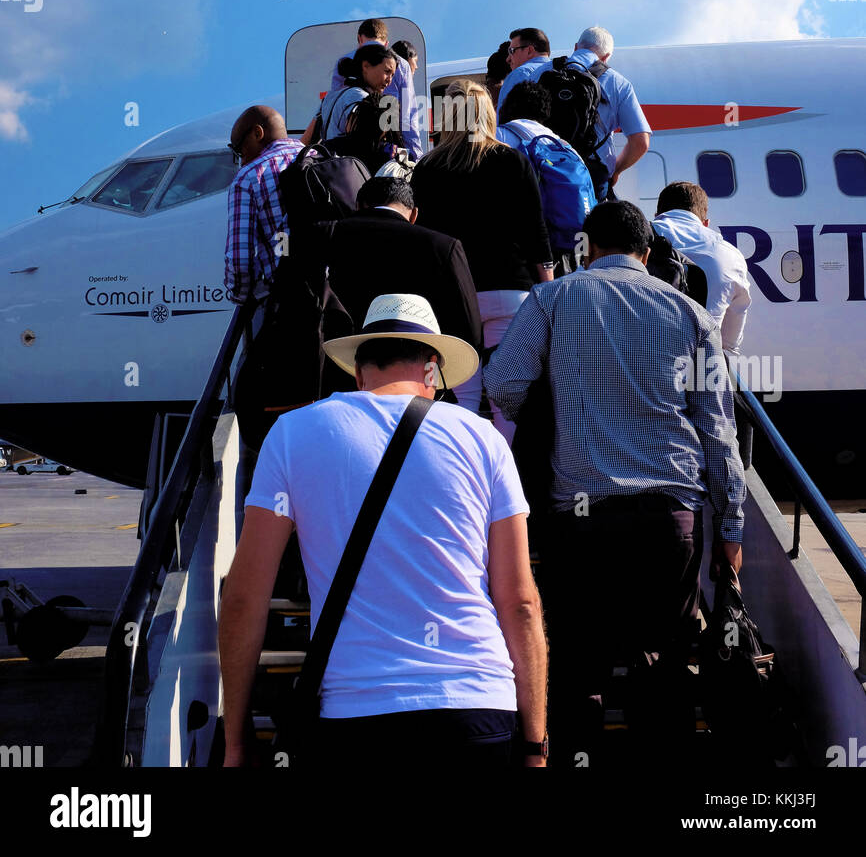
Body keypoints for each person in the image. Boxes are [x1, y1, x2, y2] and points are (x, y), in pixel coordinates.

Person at [219, 293, 548, 769]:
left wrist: (235, 744)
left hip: (357, 714)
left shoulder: (293, 433)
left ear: (358, 371)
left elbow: (245, 597)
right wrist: (536, 745)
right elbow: (520, 602)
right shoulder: (483, 440)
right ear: (432, 369)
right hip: (476, 706)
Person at [484, 200, 746, 768]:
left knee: (577, 668)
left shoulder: (552, 298)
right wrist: (731, 529)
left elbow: (503, 385)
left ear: (590, 247)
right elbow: (719, 434)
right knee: (665, 666)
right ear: (647, 254)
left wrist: (559, 401)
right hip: (669, 519)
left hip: (581, 521)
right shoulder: (691, 315)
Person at [410, 79, 554, 439]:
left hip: (454, 294)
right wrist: (550, 294)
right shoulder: (512, 161)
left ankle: (464, 473)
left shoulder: (427, 168)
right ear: (487, 115)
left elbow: (424, 239)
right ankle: (505, 475)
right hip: (510, 291)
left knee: (465, 395)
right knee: (507, 394)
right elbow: (536, 234)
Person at [291, 175, 483, 367]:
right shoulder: (443, 246)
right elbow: (468, 324)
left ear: (358, 205)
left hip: (338, 360)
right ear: (414, 214)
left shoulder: (320, 235)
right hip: (415, 360)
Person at [497, 80, 596, 275]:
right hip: (569, 252)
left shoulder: (499, 136)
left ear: (508, 107)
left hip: (521, 256)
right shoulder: (566, 148)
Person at [653, 181, 752, 356]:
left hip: (638, 361)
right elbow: (729, 341)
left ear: (656, 215)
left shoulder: (638, 240)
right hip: (698, 366)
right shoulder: (731, 255)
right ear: (705, 223)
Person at [224, 105, 305, 305]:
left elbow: (240, 260)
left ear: (257, 133)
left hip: (289, 296)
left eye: (240, 150)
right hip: (336, 295)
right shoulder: (322, 157)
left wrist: (241, 296)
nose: (242, 160)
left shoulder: (249, 177)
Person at [556, 26, 650, 193]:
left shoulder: (544, 71)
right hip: (591, 173)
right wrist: (616, 170)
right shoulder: (618, 83)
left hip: (547, 165)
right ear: (606, 57)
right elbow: (640, 142)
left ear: (576, 47)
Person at [329, 18, 422, 158]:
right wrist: (415, 157)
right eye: (386, 72)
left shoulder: (343, 63)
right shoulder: (401, 64)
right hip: (385, 151)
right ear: (386, 43)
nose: (388, 81)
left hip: (345, 156)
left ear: (360, 39)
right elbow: (408, 117)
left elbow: (334, 109)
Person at [315, 43, 398, 145]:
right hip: (349, 160)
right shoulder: (362, 99)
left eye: (392, 75)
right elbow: (362, 144)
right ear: (366, 66)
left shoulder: (331, 95)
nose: (389, 80)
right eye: (387, 71)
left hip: (328, 158)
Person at [495, 28, 552, 118]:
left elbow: (504, 124)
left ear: (529, 51)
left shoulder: (520, 74)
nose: (508, 59)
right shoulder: (564, 70)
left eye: (512, 51)